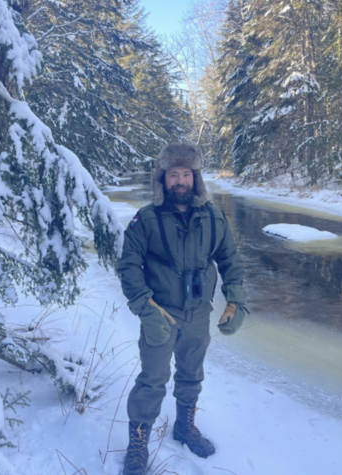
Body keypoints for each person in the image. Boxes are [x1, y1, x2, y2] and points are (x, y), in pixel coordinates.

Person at [118, 143, 247, 475]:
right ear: (163, 178)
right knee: (153, 379)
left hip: (198, 314)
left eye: (186, 174)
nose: (180, 181)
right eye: (173, 174)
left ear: (195, 177)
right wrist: (144, 307)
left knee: (191, 375)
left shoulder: (214, 217)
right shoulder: (145, 219)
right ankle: (137, 443)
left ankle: (184, 428)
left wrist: (235, 299)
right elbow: (129, 266)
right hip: (159, 313)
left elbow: (230, 259)